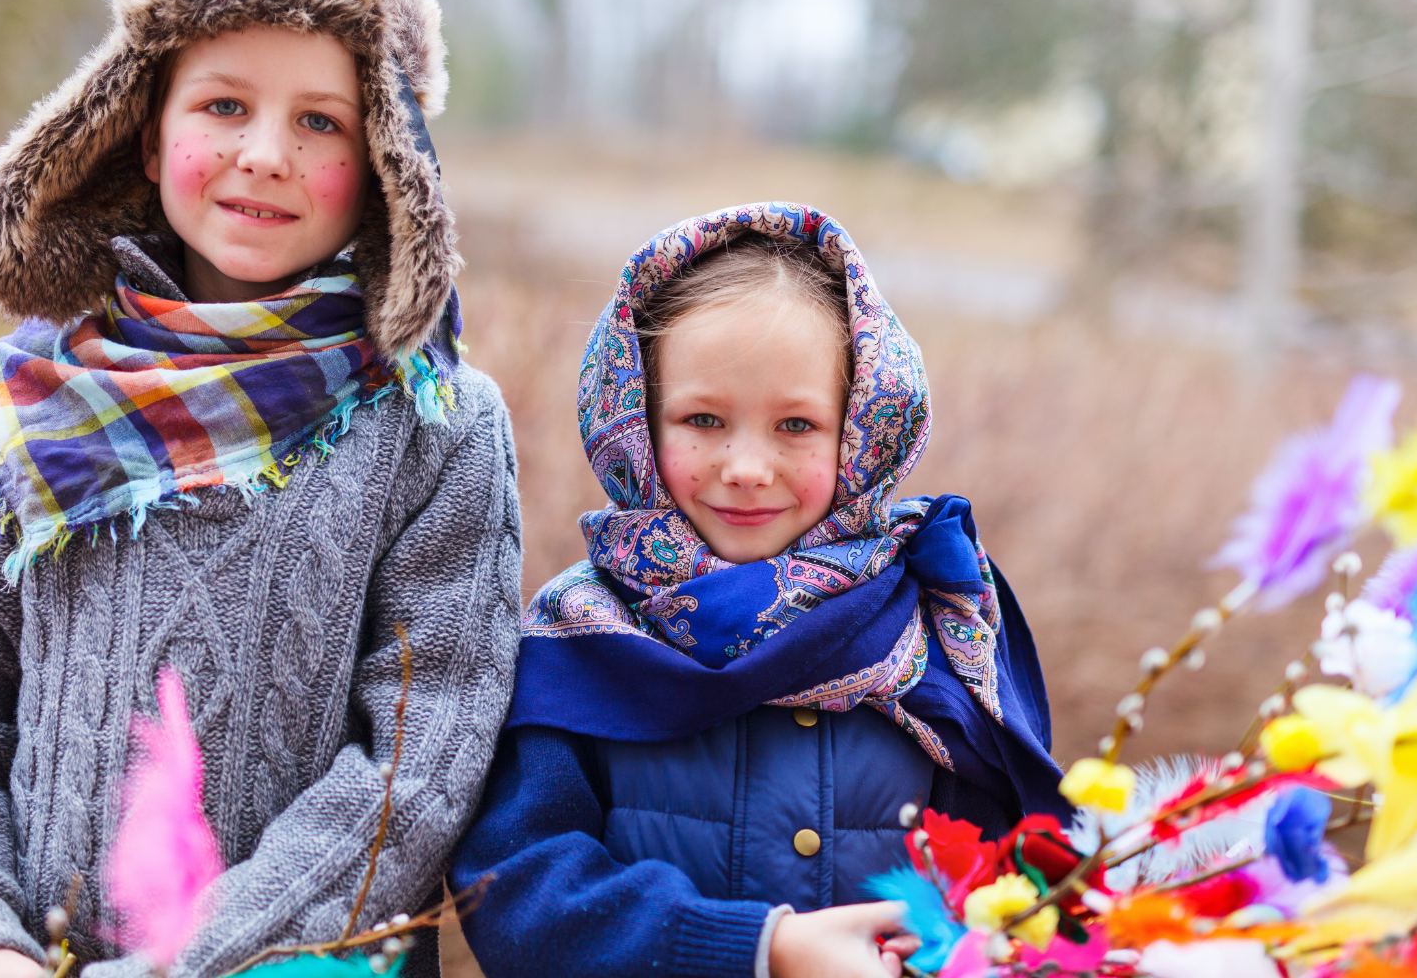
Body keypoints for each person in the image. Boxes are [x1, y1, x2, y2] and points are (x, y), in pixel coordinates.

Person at [0, 0, 521, 978]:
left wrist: (184, 969)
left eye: (321, 122)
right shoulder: (32, 406)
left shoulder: (432, 428)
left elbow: (416, 769)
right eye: (224, 106)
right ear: (146, 130)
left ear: (385, 159)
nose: (265, 155)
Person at [451, 203, 1071, 978]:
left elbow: (1009, 885)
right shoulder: (581, 640)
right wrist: (756, 950)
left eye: (796, 426)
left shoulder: (934, 628)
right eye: (703, 419)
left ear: (860, 432)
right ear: (637, 423)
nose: (746, 468)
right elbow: (516, 896)